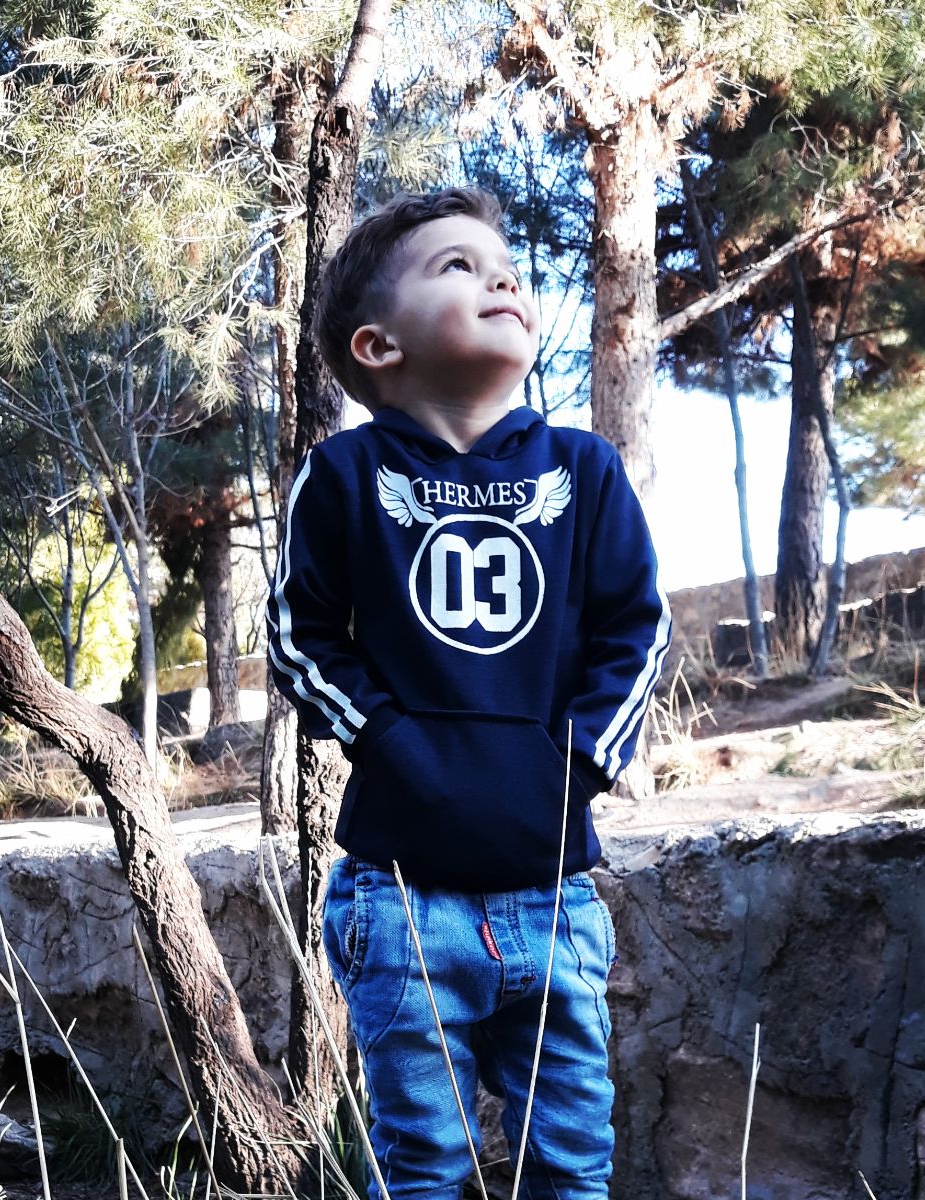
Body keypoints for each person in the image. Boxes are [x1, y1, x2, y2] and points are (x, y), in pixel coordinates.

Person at [266, 186, 671, 1200]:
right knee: (426, 1165)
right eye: (458, 266)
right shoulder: (343, 475)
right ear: (377, 346)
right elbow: (299, 637)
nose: (502, 280)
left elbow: (638, 628)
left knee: (570, 1162)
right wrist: (389, 739)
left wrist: (579, 760)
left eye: (508, 269)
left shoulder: (584, 470)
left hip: (554, 893)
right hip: (401, 903)